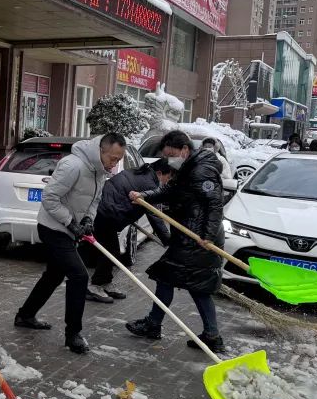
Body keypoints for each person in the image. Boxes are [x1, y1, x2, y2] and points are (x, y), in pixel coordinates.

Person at [13, 134, 127, 354]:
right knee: (79, 275)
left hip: (69, 229)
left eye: (118, 160)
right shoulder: (73, 165)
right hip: (52, 228)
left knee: (54, 275)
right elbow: (49, 198)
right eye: (112, 158)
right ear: (100, 151)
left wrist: (87, 220)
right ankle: (73, 334)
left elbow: (94, 200)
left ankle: (25, 315)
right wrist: (70, 222)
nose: (114, 164)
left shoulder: (99, 171)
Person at [126, 130, 226, 353]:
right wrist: (146, 196)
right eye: (166, 155)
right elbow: (170, 190)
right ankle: (207, 334)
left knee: (190, 284)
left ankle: (207, 335)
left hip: (198, 240)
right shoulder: (188, 167)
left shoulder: (202, 170)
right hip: (189, 237)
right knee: (175, 279)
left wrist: (208, 237)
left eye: (172, 155)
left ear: (185, 149)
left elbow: (214, 205)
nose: (170, 160)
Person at [85, 160, 173, 303]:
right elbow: (154, 214)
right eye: (167, 178)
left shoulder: (141, 173)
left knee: (111, 250)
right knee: (110, 251)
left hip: (106, 210)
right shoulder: (150, 184)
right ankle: (94, 286)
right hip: (105, 212)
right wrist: (168, 240)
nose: (166, 182)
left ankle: (105, 282)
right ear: (159, 173)